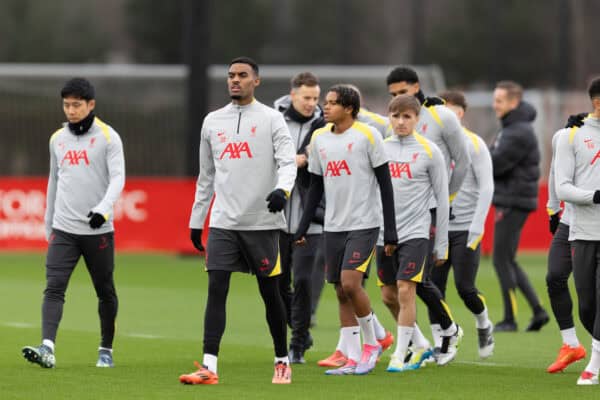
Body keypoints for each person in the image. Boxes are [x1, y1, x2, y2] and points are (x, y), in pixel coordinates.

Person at [180, 57, 297, 385]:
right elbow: (206, 177)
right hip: (223, 222)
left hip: (262, 222)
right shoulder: (212, 122)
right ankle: (209, 366)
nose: (235, 80)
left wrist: (282, 191)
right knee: (216, 288)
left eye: (242, 75)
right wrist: (196, 220)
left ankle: (281, 359)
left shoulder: (273, 120)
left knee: (270, 292)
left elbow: (288, 163)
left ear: (256, 81)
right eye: (231, 75)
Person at [294, 85, 398, 375]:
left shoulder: (369, 136)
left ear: (349, 108)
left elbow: (386, 185)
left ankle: (372, 344)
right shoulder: (319, 138)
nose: (324, 108)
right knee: (341, 290)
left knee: (351, 283)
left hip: (364, 223)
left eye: (331, 103)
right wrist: (303, 226)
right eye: (324, 103)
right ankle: (351, 357)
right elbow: (315, 187)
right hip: (333, 225)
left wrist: (390, 231)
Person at [22, 78, 125, 369]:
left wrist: (103, 210)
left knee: (105, 291)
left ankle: (106, 349)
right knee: (54, 288)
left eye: (77, 105)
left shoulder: (108, 137)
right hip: (64, 230)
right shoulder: (57, 139)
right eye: (66, 105)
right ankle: (47, 348)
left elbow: (118, 178)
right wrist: (48, 222)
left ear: (90, 105)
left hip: (98, 231)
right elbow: (54, 180)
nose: (71, 110)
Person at [386, 66, 469, 348]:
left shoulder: (442, 116)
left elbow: (463, 160)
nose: (398, 97)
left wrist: (446, 196)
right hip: (400, 211)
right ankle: (436, 334)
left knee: (416, 279)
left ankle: (437, 334)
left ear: (417, 86)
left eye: (403, 91)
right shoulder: (394, 122)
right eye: (393, 95)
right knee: (405, 283)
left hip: (430, 208)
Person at [377, 94, 461, 372]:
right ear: (389, 116)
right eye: (396, 116)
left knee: (405, 289)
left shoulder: (429, 151)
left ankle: (400, 354)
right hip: (384, 233)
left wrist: (442, 243)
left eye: (407, 117)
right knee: (388, 296)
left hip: (416, 232)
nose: (401, 122)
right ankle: (421, 343)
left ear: (417, 119)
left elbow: (442, 198)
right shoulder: (380, 148)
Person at [433, 90, 495, 358]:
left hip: (466, 227)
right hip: (439, 228)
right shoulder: (433, 144)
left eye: (452, 111)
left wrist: (477, 226)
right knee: (432, 288)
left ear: (461, 113)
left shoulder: (474, 143)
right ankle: (442, 343)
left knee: (465, 288)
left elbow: (487, 186)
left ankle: (484, 323)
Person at [273, 72, 326, 363]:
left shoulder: (324, 125)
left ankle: (296, 345)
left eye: (315, 98)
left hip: (311, 219)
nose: (311, 103)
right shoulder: (273, 120)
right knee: (279, 284)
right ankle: (301, 332)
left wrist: (305, 160)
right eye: (306, 97)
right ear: (292, 95)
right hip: (277, 219)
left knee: (304, 281)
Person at [490, 80, 548, 332]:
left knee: (501, 259)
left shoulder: (517, 131)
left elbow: (495, 163)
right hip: (515, 198)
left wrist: (480, 157)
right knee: (508, 259)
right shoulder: (514, 128)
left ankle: (510, 318)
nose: (494, 105)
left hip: (513, 200)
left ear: (514, 102)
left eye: (499, 101)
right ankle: (538, 311)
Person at [555, 77, 600, 385]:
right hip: (582, 231)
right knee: (587, 304)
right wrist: (594, 196)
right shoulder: (570, 137)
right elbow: (562, 187)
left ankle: (594, 365)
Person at [545, 115, 588, 374]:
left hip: (592, 228)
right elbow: (554, 172)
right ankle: (570, 344)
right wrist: (552, 209)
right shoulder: (566, 136)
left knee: (589, 297)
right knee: (555, 277)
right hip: (570, 222)